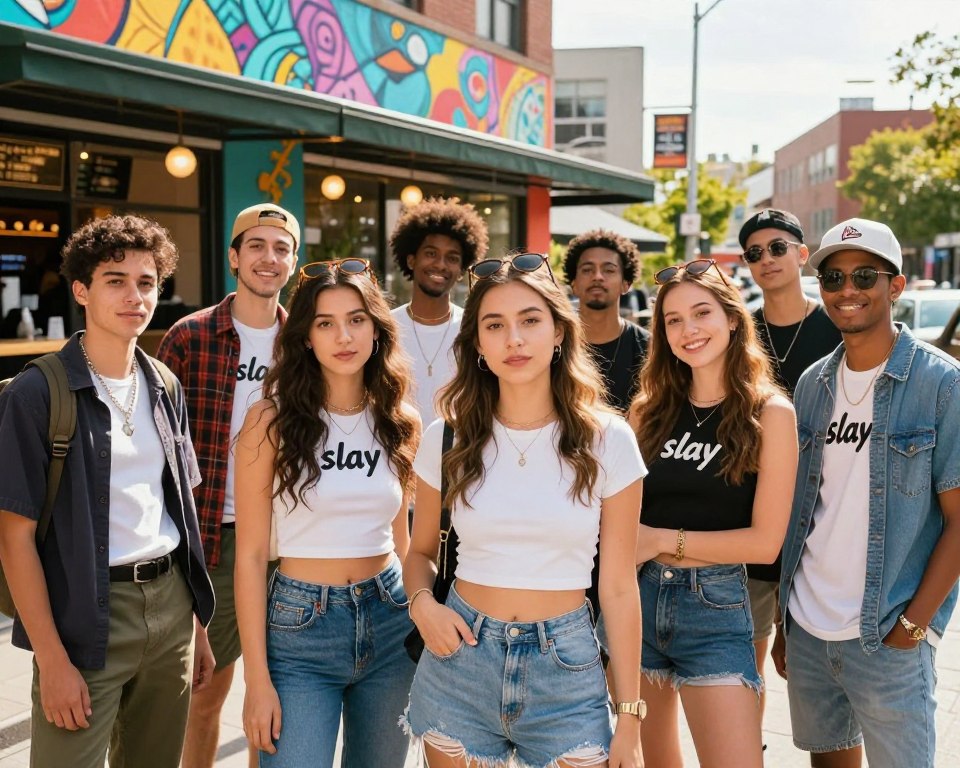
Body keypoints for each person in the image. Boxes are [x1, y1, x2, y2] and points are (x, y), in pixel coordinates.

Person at [403, 252, 646, 767]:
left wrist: (629, 715)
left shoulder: (609, 438)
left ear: (559, 331)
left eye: (530, 320)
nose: (513, 339)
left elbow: (620, 588)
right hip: (459, 658)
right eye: (495, 325)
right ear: (477, 343)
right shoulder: (447, 438)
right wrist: (423, 605)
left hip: (566, 667)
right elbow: (420, 552)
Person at [0, 215, 215, 768]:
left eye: (146, 282)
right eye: (115, 281)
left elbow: (179, 510)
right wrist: (51, 660)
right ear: (81, 290)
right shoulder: (35, 394)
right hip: (84, 616)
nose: (134, 296)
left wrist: (197, 626)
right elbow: (14, 539)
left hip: (171, 607)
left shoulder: (164, 384)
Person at [777, 218, 960, 768]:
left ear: (895, 286)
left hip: (887, 632)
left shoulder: (941, 383)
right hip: (809, 627)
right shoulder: (812, 384)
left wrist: (915, 625)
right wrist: (787, 622)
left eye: (864, 276)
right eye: (833, 278)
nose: (846, 290)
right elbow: (804, 510)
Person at [234, 257, 420, 767]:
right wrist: (256, 680)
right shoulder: (269, 421)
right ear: (305, 338)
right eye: (325, 323)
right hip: (301, 628)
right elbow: (250, 557)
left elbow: (402, 538)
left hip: (390, 618)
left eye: (357, 319)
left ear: (377, 330)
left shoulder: (400, 421)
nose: (344, 336)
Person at [631, 258, 798, 768]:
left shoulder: (770, 414)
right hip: (638, 601)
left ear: (731, 318)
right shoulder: (646, 412)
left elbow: (765, 544)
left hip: (716, 606)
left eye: (701, 313)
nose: (689, 330)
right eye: (673, 320)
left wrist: (661, 539)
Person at [156, 202, 299, 768]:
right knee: (204, 695)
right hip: (211, 538)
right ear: (234, 257)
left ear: (293, 262)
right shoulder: (190, 337)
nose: (269, 258)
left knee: (280, 698)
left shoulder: (307, 342)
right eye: (256, 246)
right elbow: (160, 451)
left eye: (281, 248)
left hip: (289, 543)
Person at [737, 208, 846, 749]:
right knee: (747, 662)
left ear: (803, 255)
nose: (767, 259)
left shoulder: (838, 327)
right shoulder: (738, 332)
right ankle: (746, 752)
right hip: (753, 515)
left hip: (827, 517)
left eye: (778, 247)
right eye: (754, 253)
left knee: (821, 670)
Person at [389, 197, 488, 423]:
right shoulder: (386, 327)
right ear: (411, 260)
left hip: (460, 444)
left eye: (452, 258)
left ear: (461, 270)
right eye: (431, 253)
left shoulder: (473, 329)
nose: (441, 265)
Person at [564, 229, 649, 413]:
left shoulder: (649, 348)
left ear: (626, 284)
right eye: (587, 270)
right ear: (574, 284)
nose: (597, 276)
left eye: (609, 270)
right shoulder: (554, 344)